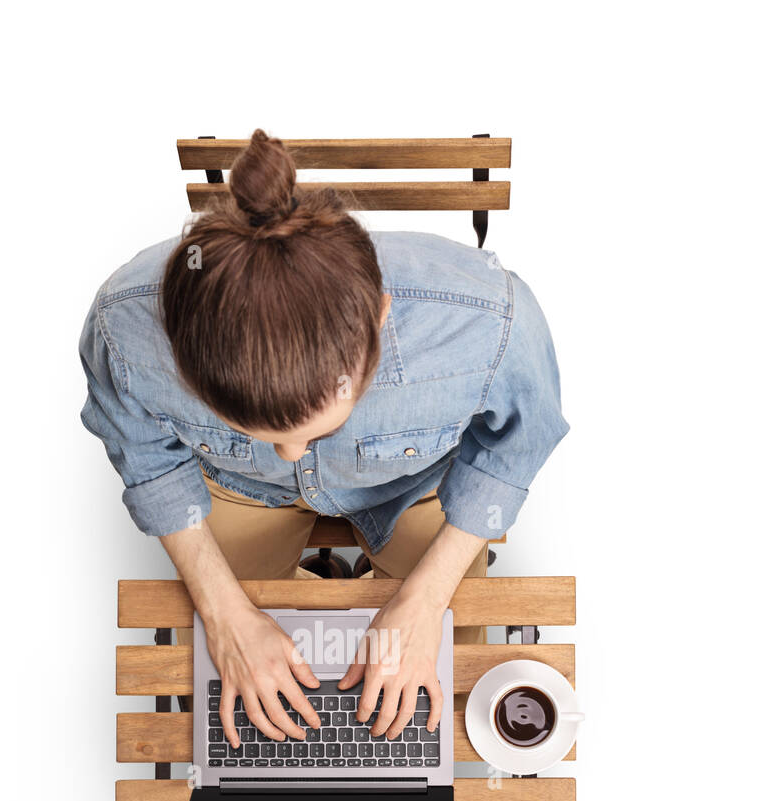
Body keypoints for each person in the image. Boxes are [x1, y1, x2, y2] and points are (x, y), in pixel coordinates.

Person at [80, 129, 568, 752]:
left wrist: (423, 603)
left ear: (381, 318)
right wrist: (227, 618)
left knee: (446, 657)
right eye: (250, 428)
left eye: (316, 427)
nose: (291, 455)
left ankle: (343, 584)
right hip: (237, 487)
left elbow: (514, 448)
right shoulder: (125, 328)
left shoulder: (487, 322)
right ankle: (321, 583)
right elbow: (147, 457)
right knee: (230, 673)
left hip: (412, 487)